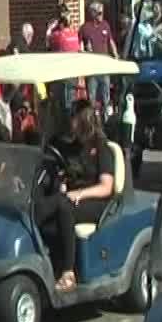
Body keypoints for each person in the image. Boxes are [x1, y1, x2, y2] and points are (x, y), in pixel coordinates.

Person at [36, 102, 117, 292]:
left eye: (73, 117)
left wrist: (80, 193)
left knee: (64, 207)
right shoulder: (74, 147)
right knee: (52, 208)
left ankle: (68, 273)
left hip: (98, 201)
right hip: (73, 198)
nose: (70, 121)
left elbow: (106, 187)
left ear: (82, 121)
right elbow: (65, 169)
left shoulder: (102, 148)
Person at [79, 0, 118, 115]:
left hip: (104, 68)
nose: (102, 15)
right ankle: (93, 122)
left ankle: (106, 121)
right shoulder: (85, 28)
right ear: (93, 13)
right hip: (92, 69)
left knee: (106, 98)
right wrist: (84, 51)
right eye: (99, 13)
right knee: (92, 99)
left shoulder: (105, 25)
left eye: (102, 13)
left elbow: (111, 41)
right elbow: (79, 45)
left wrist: (116, 55)